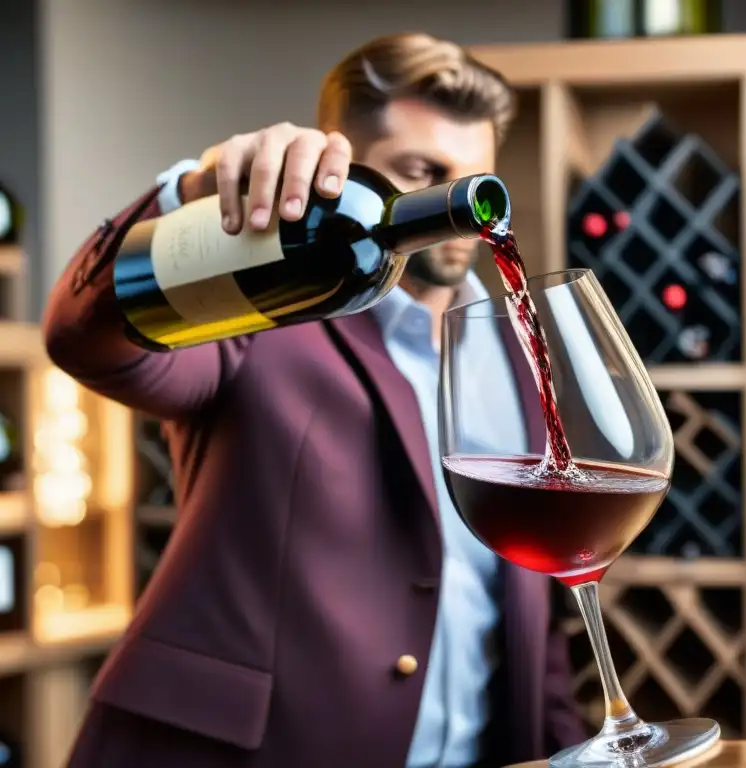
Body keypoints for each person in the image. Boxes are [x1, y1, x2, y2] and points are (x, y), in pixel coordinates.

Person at [44, 32, 586, 768]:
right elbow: (84, 339)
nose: (457, 206)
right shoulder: (257, 311)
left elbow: (528, 609)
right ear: (340, 164)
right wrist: (192, 197)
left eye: (474, 175)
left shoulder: (512, 349)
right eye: (422, 170)